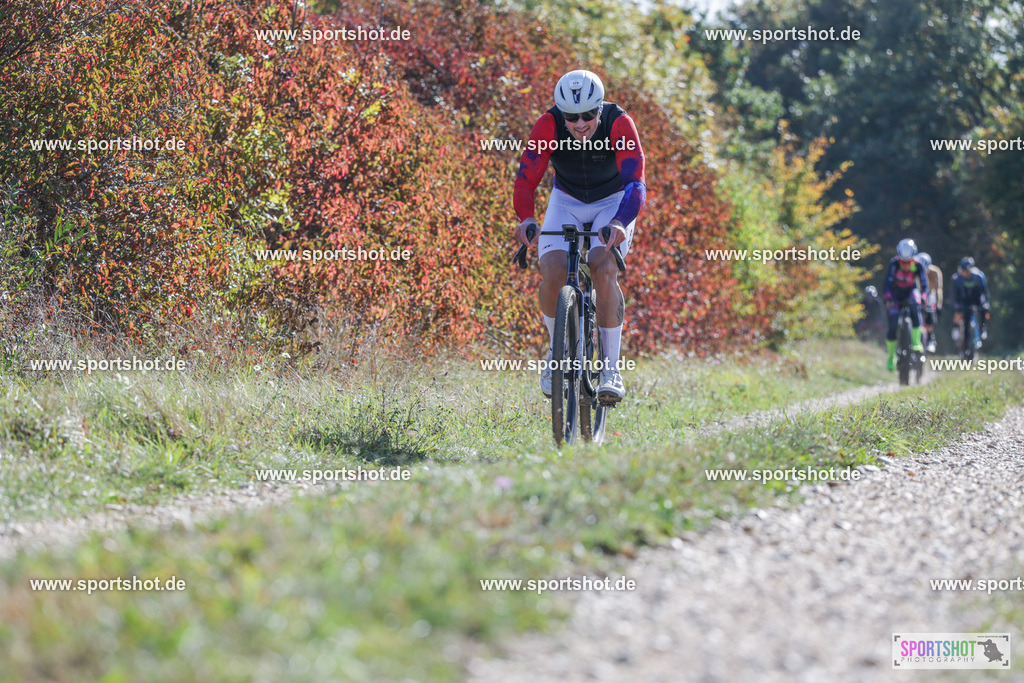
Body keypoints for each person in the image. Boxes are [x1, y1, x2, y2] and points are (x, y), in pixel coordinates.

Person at [513, 70, 647, 403]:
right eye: (572, 117)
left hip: (612, 201)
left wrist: (620, 222)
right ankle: (556, 351)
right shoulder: (548, 125)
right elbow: (526, 178)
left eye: (588, 114)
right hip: (567, 200)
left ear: (600, 108)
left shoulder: (619, 123)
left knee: (602, 265)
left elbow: (636, 182)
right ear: (561, 113)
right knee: (553, 269)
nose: (581, 123)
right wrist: (526, 217)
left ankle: (611, 369)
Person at [882, 238, 929, 371]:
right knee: (892, 324)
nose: (906, 265)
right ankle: (891, 356)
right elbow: (887, 283)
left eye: (909, 262)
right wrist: (888, 297)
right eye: (903, 262)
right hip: (896, 294)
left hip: (910, 292)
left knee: (915, 307)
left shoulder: (918, 265)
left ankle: (916, 342)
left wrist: (924, 297)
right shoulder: (894, 264)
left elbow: (924, 285)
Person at [951, 256, 990, 347]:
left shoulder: (978, 276)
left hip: (976, 299)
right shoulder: (957, 278)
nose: (964, 274)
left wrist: (985, 303)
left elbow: (984, 292)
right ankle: (965, 342)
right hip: (964, 300)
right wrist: (956, 305)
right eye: (962, 271)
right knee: (965, 318)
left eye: (966, 271)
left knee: (984, 309)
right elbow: (954, 295)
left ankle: (983, 328)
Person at [917, 252, 942, 353]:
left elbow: (938, 289)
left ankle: (931, 338)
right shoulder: (915, 270)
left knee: (930, 311)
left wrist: (939, 305)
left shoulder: (935, 272)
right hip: (918, 294)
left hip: (930, 295)